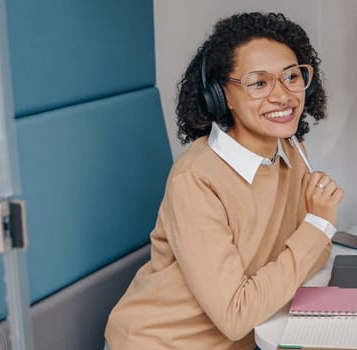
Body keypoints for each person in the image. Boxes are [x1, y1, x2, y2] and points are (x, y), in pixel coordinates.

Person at [104, 12, 343, 349]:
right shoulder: (197, 179)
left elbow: (310, 256)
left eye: (291, 76)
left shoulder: (290, 151)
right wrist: (317, 225)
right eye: (259, 83)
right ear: (222, 95)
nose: (283, 95)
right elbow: (236, 313)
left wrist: (316, 230)